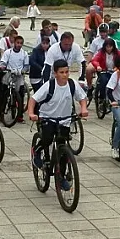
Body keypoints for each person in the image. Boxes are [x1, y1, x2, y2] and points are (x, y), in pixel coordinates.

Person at [28, 59, 89, 188]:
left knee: (62, 146)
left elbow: (82, 98)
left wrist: (83, 109)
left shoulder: (72, 84)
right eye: (61, 72)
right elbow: (33, 99)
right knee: (47, 139)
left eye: (67, 72)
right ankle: (37, 151)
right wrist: (31, 113)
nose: (65, 75)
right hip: (48, 118)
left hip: (64, 120)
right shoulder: (49, 86)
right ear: (55, 73)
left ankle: (60, 176)